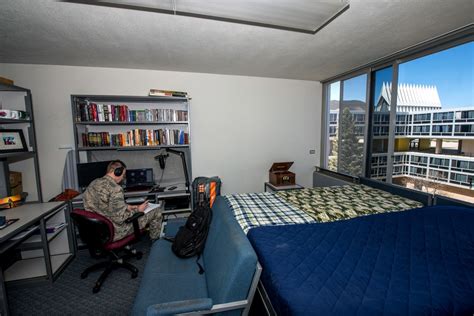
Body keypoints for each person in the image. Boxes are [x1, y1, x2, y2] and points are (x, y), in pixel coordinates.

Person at [83, 160, 162, 241]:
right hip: (116, 231)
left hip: (97, 230)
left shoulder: (94, 183)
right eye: (123, 175)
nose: (122, 178)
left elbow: (105, 205)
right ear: (117, 172)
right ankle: (156, 242)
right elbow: (120, 219)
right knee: (156, 211)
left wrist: (127, 207)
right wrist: (138, 210)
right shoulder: (116, 189)